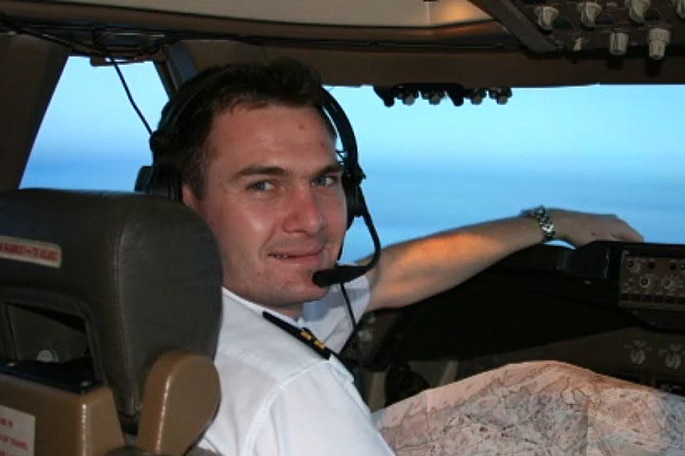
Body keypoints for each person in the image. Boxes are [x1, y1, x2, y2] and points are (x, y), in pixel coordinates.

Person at [148, 59, 685, 456]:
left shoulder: (168, 312)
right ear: (181, 202)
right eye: (264, 185)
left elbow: (387, 276)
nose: (310, 219)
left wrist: (547, 223)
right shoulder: (295, 388)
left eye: (325, 180)